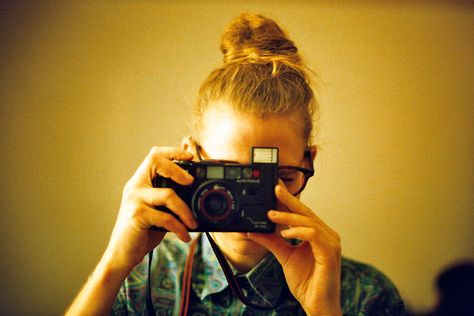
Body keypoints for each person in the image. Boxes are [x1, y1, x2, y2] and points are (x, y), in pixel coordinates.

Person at [66, 13, 405, 315]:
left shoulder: (368, 297)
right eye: (228, 175)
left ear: (308, 161)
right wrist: (114, 264)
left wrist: (324, 311)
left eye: (279, 177)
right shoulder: (142, 278)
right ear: (189, 159)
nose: (251, 200)